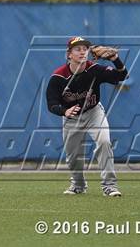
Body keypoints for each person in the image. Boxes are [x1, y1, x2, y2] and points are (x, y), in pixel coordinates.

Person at [46, 36, 128, 197]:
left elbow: (122, 76)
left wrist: (115, 59)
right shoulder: (58, 77)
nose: (82, 51)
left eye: (85, 48)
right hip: (71, 117)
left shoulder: (94, 70)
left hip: (94, 112)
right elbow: (51, 103)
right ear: (69, 54)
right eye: (78, 49)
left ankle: (109, 186)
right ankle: (78, 185)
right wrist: (64, 111)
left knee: (104, 142)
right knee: (73, 156)